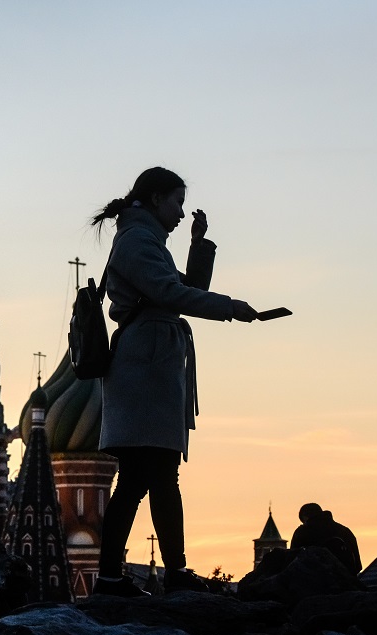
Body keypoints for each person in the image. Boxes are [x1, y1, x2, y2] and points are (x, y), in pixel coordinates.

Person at [91, 167, 258, 597]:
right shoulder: (137, 241)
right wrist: (230, 307)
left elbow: (183, 288)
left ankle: (165, 573)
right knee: (142, 476)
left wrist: (198, 244)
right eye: (177, 203)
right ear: (155, 200)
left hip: (153, 359)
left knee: (157, 473)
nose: (181, 213)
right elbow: (172, 294)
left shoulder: (146, 241)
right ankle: (121, 577)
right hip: (144, 364)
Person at [290, 503, 362, 574]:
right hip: (346, 582)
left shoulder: (301, 532)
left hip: (315, 582)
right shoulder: (345, 531)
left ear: (305, 517)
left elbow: (291, 562)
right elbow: (357, 566)